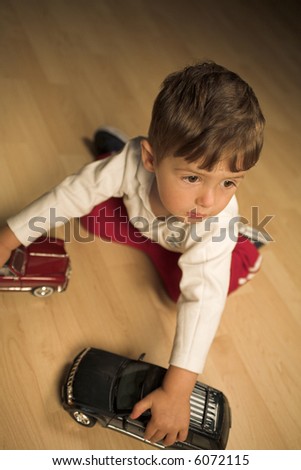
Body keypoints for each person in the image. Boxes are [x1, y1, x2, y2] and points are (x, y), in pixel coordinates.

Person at [0, 61, 265, 446]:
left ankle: (249, 243)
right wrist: (8, 239)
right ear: (151, 158)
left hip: (195, 245)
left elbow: (203, 299)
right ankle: (117, 156)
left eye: (228, 182)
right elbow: (69, 195)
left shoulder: (216, 219)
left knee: (185, 288)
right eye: (192, 177)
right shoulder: (133, 163)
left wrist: (177, 389)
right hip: (151, 221)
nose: (210, 199)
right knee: (88, 207)